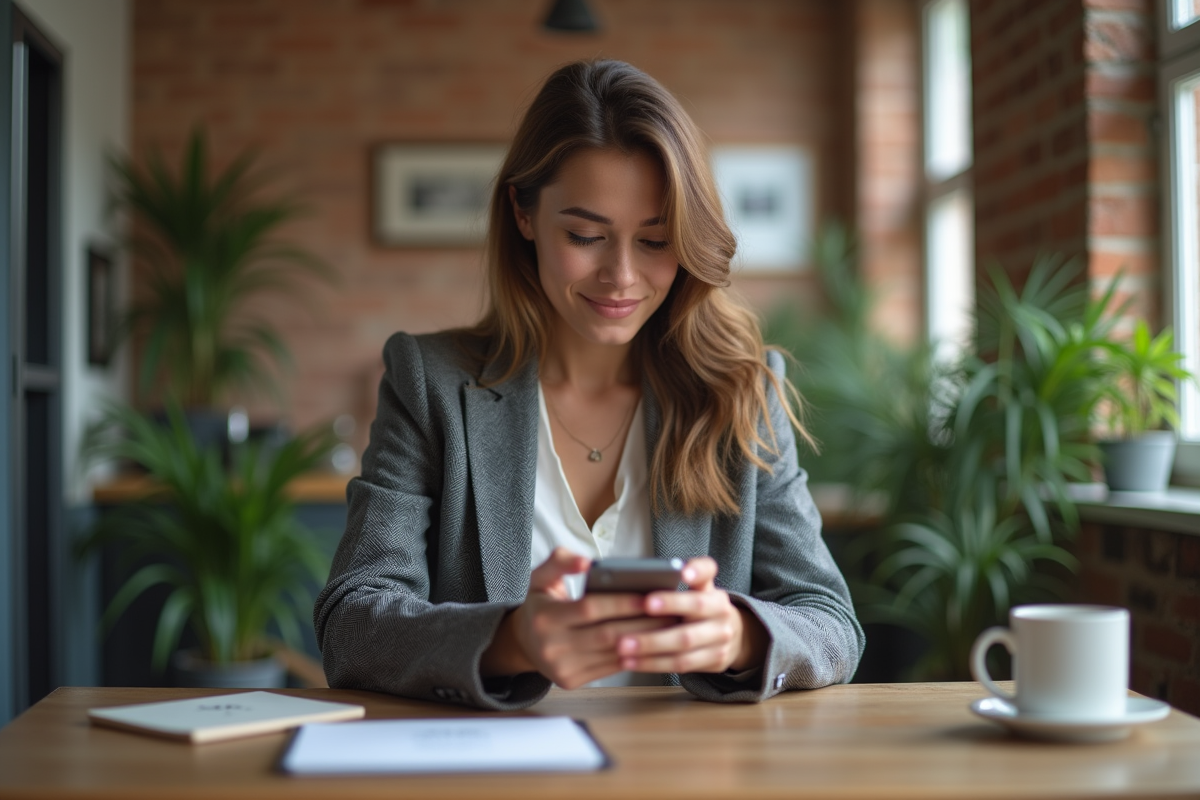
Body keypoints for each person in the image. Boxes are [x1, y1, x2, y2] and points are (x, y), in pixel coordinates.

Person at [314, 59, 864, 710]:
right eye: (585, 235)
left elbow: (830, 621)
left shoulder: (739, 392)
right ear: (523, 213)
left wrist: (738, 635)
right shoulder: (430, 384)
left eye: (656, 240)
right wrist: (511, 641)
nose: (621, 276)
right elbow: (351, 622)